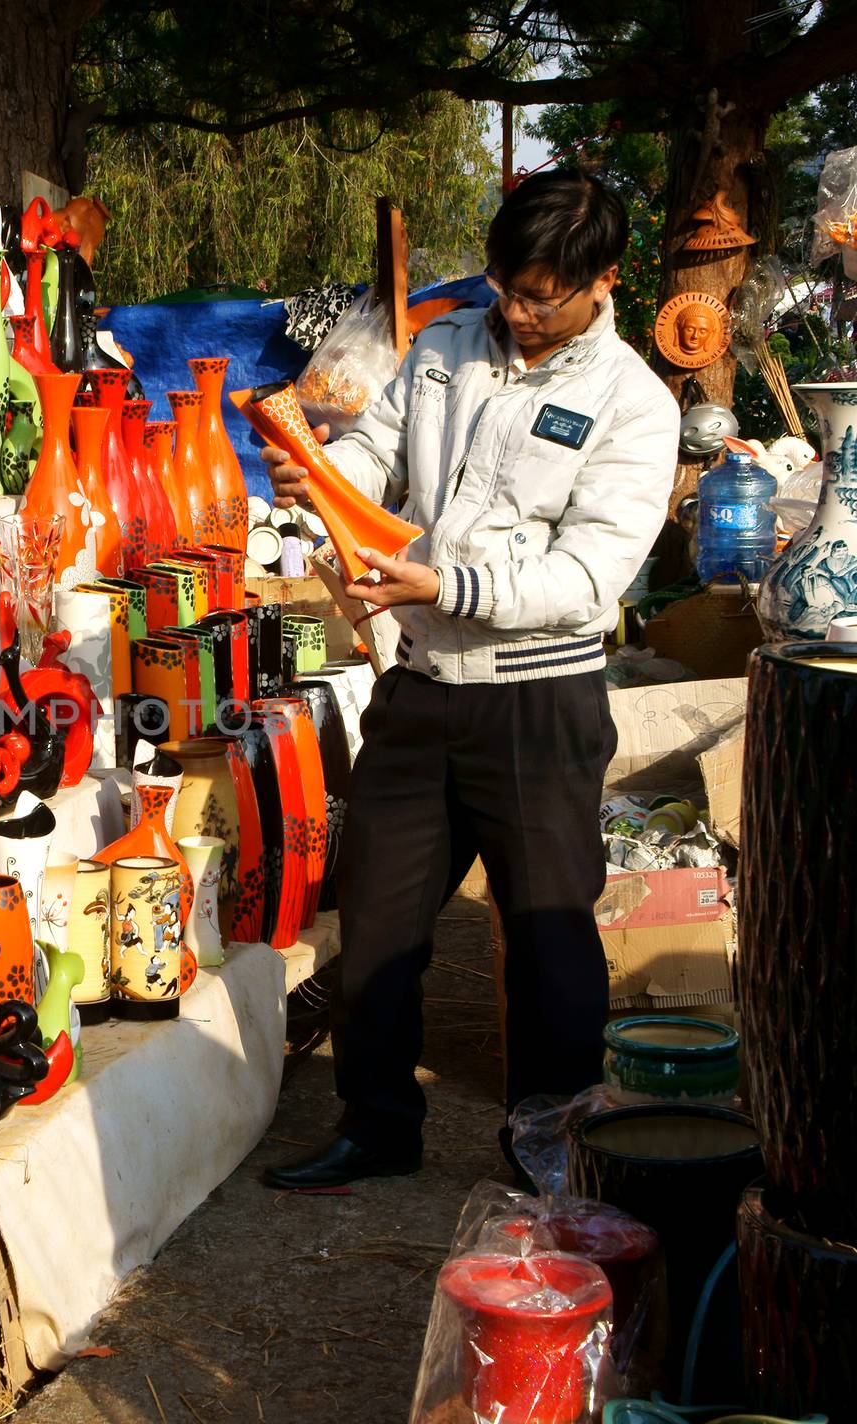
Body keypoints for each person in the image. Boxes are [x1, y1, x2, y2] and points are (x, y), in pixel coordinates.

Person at [260, 168, 679, 1191]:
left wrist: (449, 579)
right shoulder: (445, 348)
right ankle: (376, 1123)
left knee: (548, 941)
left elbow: (587, 575)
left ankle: (549, 1147)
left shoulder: (630, 401)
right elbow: (377, 448)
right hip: (421, 683)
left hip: (539, 700)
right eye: (507, 286)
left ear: (602, 283)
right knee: (375, 922)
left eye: (543, 295)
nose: (519, 311)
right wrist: (322, 477)